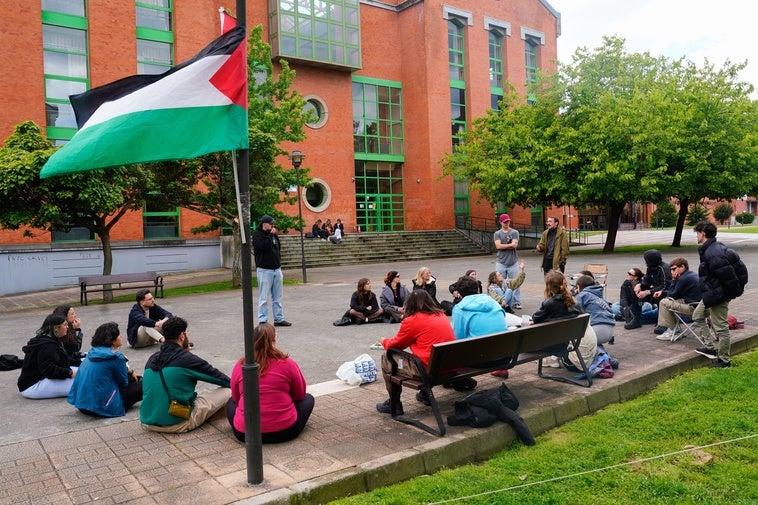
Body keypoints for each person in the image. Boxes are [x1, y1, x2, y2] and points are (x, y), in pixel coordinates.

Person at [140, 317, 231, 433]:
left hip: (148, 423)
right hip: (177, 423)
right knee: (230, 390)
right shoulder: (187, 359)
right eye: (187, 332)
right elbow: (222, 379)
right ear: (182, 336)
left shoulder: (152, 358)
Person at [227, 323, 314, 443]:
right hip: (285, 431)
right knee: (308, 399)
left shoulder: (241, 365)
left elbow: (236, 398)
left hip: (245, 434)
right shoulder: (287, 363)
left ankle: (245, 422)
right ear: (274, 340)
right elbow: (300, 395)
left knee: (230, 403)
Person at [375, 290, 456, 415]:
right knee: (429, 357)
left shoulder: (412, 320)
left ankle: (394, 403)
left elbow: (396, 345)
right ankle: (425, 394)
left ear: (410, 304)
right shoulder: (441, 315)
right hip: (449, 366)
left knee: (387, 357)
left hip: (428, 371)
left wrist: (384, 341)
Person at [691, 222, 748, 367]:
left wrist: (729, 294)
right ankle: (710, 348)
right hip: (712, 293)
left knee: (721, 327)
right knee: (697, 315)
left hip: (718, 295)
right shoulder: (712, 249)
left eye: (697, 233)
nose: (696, 236)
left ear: (703, 233)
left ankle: (724, 360)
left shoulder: (713, 253)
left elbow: (729, 277)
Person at [67, 322, 142, 417]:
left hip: (83, 406)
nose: (121, 336)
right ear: (112, 341)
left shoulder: (92, 352)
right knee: (144, 383)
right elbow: (123, 383)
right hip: (102, 408)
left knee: (132, 378)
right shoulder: (116, 357)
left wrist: (130, 371)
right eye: (119, 335)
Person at [531, 271, 598, 371]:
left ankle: (550, 359)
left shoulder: (549, 303)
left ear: (549, 287)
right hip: (583, 354)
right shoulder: (573, 302)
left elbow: (535, 318)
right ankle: (551, 359)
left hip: (571, 361)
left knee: (534, 341)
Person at [452, 275, 510, 378]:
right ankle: (501, 369)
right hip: (505, 356)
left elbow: (458, 339)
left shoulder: (459, 309)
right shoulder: (493, 302)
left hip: (478, 360)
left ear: (459, 294)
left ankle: (459, 380)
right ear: (478, 289)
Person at [17, 313, 80, 399]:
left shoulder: (51, 339)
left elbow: (64, 359)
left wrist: (82, 363)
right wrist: (70, 373)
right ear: (55, 328)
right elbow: (49, 370)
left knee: (86, 373)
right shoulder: (47, 345)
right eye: (65, 325)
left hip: (42, 378)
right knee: (84, 384)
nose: (68, 327)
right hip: (32, 385)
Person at [252, 215, 292, 327]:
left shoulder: (274, 235)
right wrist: (270, 235)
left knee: (277, 297)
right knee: (263, 297)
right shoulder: (257, 235)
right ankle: (263, 320)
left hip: (276, 269)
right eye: (270, 224)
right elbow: (263, 246)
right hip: (264, 270)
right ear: (264, 224)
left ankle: (279, 319)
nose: (273, 225)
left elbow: (278, 247)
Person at [652, 257, 702, 340]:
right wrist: (663, 292)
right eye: (671, 270)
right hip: (701, 306)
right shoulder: (691, 274)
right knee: (671, 302)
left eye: (674, 269)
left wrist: (674, 280)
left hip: (694, 309)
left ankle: (672, 331)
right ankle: (674, 329)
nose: (672, 272)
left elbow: (672, 295)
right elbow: (677, 293)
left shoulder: (683, 279)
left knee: (664, 302)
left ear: (682, 267)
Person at [623, 249, 671, 329]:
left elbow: (665, 286)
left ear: (651, 260)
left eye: (646, 260)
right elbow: (646, 282)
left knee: (660, 296)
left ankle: (661, 322)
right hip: (653, 292)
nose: (645, 262)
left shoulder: (664, 269)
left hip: (664, 293)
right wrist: (639, 285)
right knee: (635, 293)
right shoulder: (650, 268)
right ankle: (636, 320)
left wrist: (648, 292)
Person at [574, 275, 615, 345]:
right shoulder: (598, 296)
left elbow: (574, 311)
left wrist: (575, 295)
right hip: (610, 331)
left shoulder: (583, 295)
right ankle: (600, 352)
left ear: (579, 286)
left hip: (597, 330)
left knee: (572, 337)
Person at [493, 213, 522, 309]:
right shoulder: (497, 234)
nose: (507, 223)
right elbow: (498, 246)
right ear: (501, 222)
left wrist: (503, 246)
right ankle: (502, 301)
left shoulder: (514, 232)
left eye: (508, 221)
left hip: (513, 262)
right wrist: (509, 245)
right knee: (500, 282)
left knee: (515, 282)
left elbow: (515, 245)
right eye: (505, 222)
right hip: (501, 262)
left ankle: (516, 302)